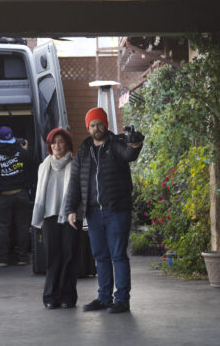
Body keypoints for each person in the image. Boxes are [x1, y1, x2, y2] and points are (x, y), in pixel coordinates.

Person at [65, 107, 143, 314]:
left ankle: (122, 300)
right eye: (92, 125)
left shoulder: (117, 144)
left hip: (117, 209)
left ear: (105, 125)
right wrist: (71, 209)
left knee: (118, 255)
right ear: (88, 127)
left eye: (100, 123)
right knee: (100, 256)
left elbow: (130, 154)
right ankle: (104, 297)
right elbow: (74, 182)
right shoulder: (83, 151)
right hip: (93, 212)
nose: (96, 128)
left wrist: (136, 143)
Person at [31, 128, 78, 309]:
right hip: (49, 215)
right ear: (50, 146)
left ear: (67, 144)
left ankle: (67, 296)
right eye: (54, 142)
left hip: (70, 215)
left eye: (61, 142)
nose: (57, 146)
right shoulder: (44, 166)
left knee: (69, 255)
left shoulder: (75, 164)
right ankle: (50, 296)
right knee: (53, 256)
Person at [0, 126, 34, 267]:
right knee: (22, 227)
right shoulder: (22, 152)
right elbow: (31, 166)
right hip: (21, 194)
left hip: (3, 197)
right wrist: (25, 149)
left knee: (3, 228)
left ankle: (2, 258)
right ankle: (22, 257)